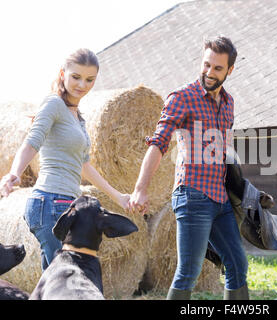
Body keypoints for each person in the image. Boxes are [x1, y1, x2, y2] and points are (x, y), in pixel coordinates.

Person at [128, 36, 249, 300]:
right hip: (193, 195)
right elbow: (159, 142)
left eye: (217, 68)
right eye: (206, 65)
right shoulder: (182, 97)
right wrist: (140, 188)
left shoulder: (229, 104)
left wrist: (243, 187)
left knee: (238, 265)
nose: (209, 72)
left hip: (221, 199)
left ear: (230, 70)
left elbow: (224, 150)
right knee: (189, 272)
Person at [0, 48, 130, 271]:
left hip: (66, 204)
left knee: (58, 282)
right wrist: (15, 172)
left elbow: (84, 165)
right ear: (63, 74)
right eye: (76, 77)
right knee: (63, 280)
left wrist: (118, 197)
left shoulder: (78, 118)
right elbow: (32, 142)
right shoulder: (54, 104)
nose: (82, 85)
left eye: (90, 80)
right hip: (48, 203)